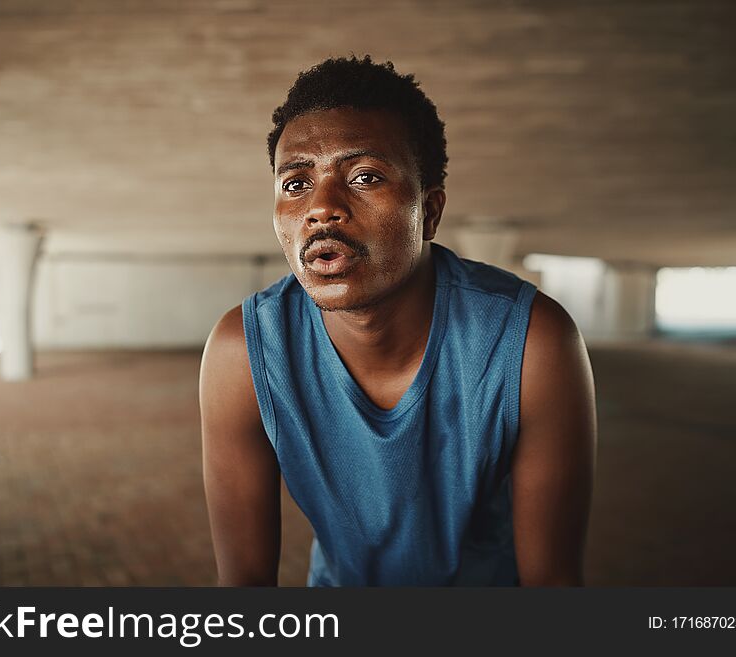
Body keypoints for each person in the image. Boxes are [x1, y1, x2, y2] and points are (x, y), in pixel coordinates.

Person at [200, 55, 597, 586]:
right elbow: (244, 582)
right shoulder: (243, 352)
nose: (322, 207)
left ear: (429, 212)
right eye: (295, 184)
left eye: (364, 176)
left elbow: (553, 584)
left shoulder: (532, 341)